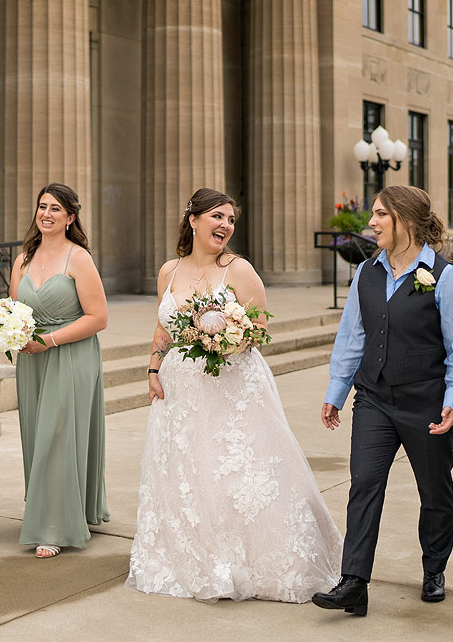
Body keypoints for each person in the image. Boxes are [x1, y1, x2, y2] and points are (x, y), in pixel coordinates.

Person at [126, 188, 341, 602]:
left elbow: (259, 328)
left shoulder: (238, 270)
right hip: (181, 390)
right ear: (193, 221)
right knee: (188, 472)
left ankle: (250, 560)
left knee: (235, 471)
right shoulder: (168, 271)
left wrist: (227, 342)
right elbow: (163, 328)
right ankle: (193, 557)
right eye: (217, 217)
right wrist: (153, 369)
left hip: (232, 387)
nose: (225, 225)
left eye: (230, 220)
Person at [314, 185, 453, 616]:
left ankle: (434, 569)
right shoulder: (366, 273)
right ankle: (354, 582)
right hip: (373, 399)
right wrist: (337, 391)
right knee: (364, 484)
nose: (371, 222)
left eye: (380, 214)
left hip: (427, 402)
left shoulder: (445, 277)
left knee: (434, 491)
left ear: (405, 219)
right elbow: (353, 337)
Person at [9, 183, 110, 558]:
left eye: (55, 209)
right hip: (32, 360)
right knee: (39, 435)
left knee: (58, 435)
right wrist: (10, 333)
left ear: (70, 218)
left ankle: (53, 525)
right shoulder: (22, 259)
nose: (46, 214)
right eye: (42, 207)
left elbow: (98, 317)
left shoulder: (78, 258)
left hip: (71, 355)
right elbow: (12, 309)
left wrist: (49, 341)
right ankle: (54, 507)